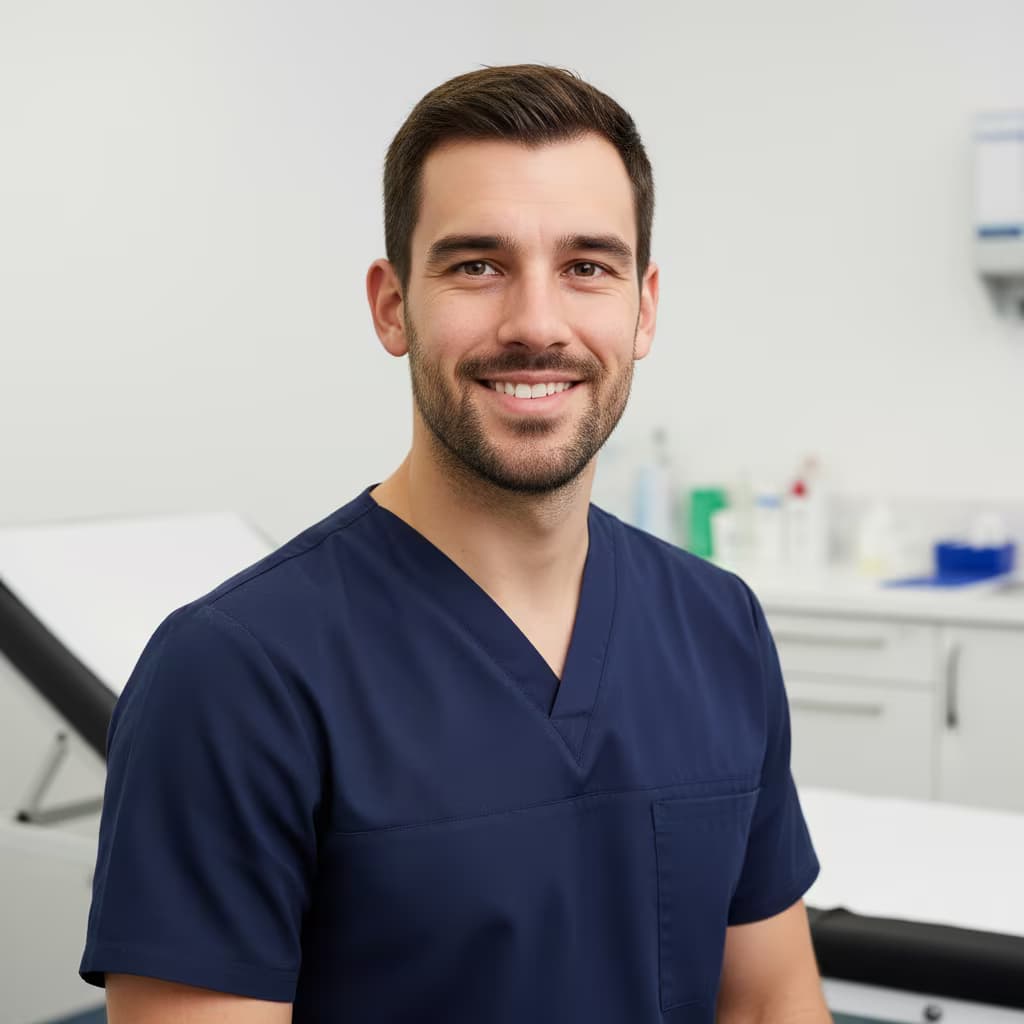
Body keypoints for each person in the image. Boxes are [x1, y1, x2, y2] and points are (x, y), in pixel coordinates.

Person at [80, 64, 830, 1023]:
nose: (536, 324)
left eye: (586, 266)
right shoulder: (234, 677)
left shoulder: (718, 626)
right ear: (393, 305)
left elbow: (770, 1005)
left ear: (643, 308)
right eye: (477, 264)